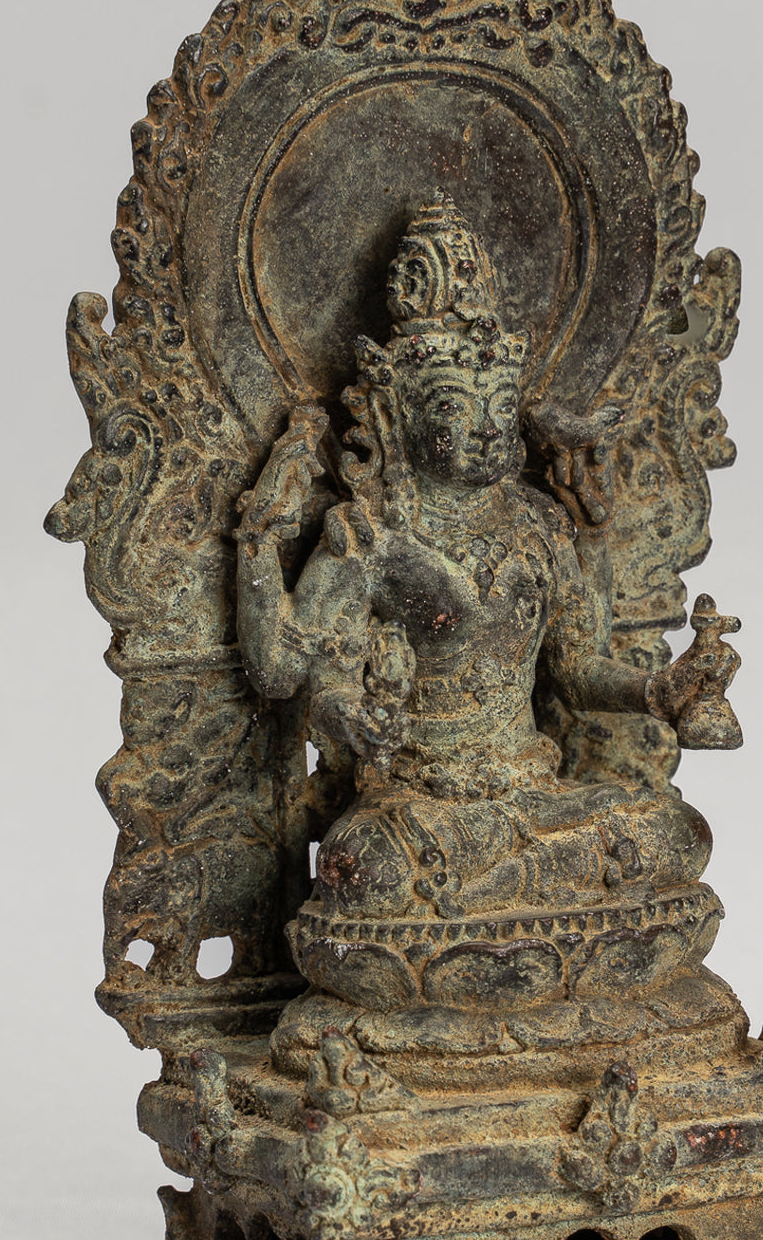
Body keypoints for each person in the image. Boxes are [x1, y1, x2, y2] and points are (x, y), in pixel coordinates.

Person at [236, 195, 737, 926]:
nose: (486, 430)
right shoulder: (368, 536)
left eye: (500, 407)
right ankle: (509, 911)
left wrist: (664, 692)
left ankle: (479, 908)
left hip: (534, 791)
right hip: (422, 805)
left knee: (677, 835)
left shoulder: (539, 524)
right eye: (454, 408)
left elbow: (576, 670)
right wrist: (352, 715)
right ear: (399, 416)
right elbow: (289, 674)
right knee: (360, 870)